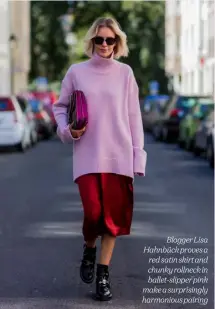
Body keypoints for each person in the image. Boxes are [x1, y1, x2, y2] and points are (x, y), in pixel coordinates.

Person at [52, 16, 147, 301]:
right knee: (94, 214)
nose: (104, 44)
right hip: (87, 156)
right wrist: (67, 131)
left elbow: (134, 117)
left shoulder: (125, 73)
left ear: (117, 42)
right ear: (91, 41)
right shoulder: (76, 71)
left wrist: (137, 158)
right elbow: (60, 107)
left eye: (110, 40)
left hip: (119, 156)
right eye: (99, 39)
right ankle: (88, 248)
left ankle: (103, 276)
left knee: (113, 220)